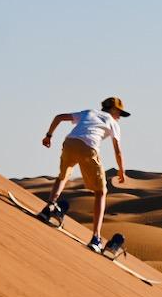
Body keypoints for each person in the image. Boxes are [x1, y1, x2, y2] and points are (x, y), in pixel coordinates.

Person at [40, 97, 130, 251]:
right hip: (89, 147)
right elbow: (118, 150)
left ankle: (49, 208)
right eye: (119, 112)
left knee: (63, 175)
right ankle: (96, 238)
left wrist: (48, 135)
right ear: (113, 110)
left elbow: (59, 117)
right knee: (101, 192)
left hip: (70, 142)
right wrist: (121, 171)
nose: (120, 116)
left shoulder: (89, 112)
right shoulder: (113, 123)